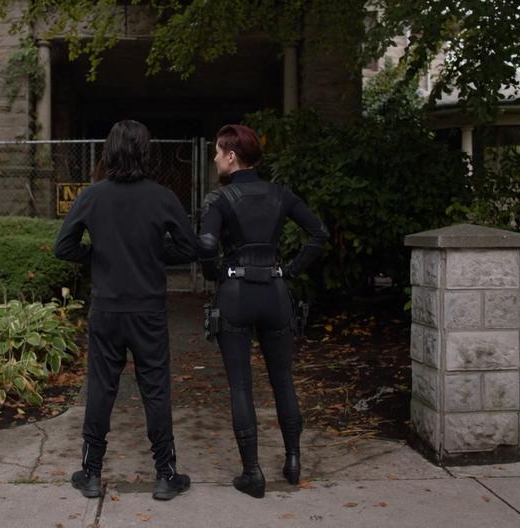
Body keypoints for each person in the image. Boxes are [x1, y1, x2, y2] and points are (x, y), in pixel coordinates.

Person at [54, 119, 198, 501]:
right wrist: (154, 255)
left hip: (107, 309)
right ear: (144, 152)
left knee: (101, 387)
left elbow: (62, 247)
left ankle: (90, 474)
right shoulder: (162, 196)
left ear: (109, 151)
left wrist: (97, 255)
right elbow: (190, 248)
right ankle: (166, 475)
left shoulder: (92, 195)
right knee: (155, 390)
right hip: (147, 310)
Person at [198, 124, 328, 498]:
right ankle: (292, 461)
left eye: (219, 152)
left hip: (236, 292)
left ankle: (252, 473)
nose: (216, 159)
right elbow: (318, 233)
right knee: (283, 379)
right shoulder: (281, 194)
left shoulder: (220, 200)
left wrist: (215, 274)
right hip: (275, 291)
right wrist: (289, 270)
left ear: (232, 156)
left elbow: (207, 243)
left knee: (241, 385)